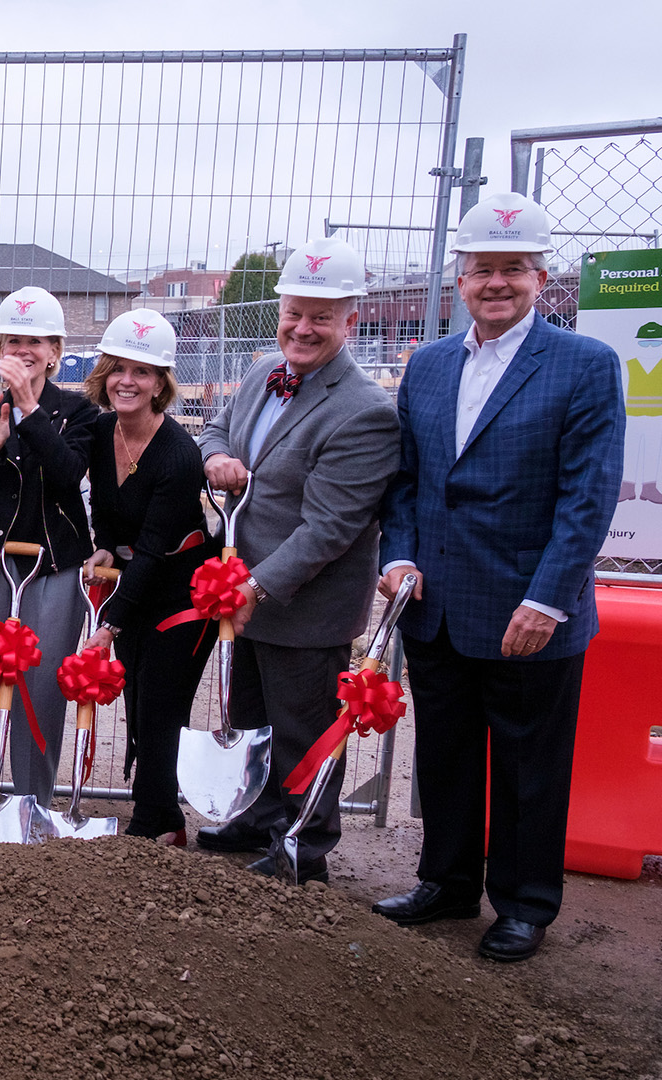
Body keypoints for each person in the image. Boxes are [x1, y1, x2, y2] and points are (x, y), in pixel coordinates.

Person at [374, 192, 624, 963]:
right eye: (482, 269)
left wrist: (548, 598)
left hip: (528, 609)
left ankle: (523, 904)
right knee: (444, 755)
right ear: (460, 276)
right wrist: (399, 556)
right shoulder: (431, 364)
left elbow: (588, 494)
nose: (496, 283)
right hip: (438, 604)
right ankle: (446, 882)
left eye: (512, 269)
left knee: (527, 768)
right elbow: (408, 481)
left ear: (540, 275)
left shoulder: (583, 365)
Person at [195, 236, 400, 882]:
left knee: (302, 733)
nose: (303, 329)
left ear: (350, 322)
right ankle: (257, 818)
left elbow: (329, 528)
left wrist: (256, 585)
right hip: (248, 595)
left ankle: (303, 847)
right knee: (252, 721)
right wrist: (215, 459)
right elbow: (216, 429)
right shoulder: (262, 370)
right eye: (294, 313)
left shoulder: (364, 411)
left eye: (321, 317)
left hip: (303, 604)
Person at [0, 287, 98, 808]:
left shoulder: (78, 413)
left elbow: (68, 476)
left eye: (34, 341)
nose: (22, 350)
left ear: (55, 351)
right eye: (12, 340)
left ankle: (33, 801)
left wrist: (32, 411)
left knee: (39, 691)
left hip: (52, 566)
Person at [75, 310, 215, 845]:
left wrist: (108, 625)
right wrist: (104, 546)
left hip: (180, 590)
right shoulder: (102, 433)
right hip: (136, 581)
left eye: (142, 372)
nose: (126, 382)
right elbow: (107, 512)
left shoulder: (179, 455)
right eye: (118, 369)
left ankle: (152, 821)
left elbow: (156, 550)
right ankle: (165, 819)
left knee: (160, 703)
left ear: (161, 383)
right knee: (139, 698)